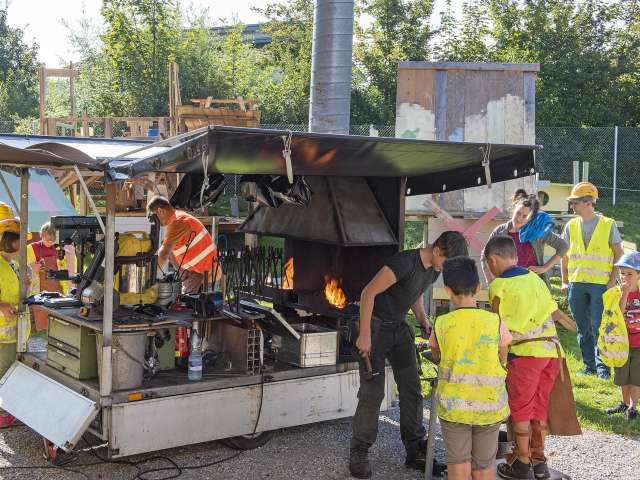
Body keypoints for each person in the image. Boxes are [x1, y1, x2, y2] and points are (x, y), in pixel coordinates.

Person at [349, 231, 469, 479]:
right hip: (375, 325)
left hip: (399, 327)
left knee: (412, 388)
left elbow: (414, 293)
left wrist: (423, 320)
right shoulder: (404, 262)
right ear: (437, 250)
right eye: (446, 262)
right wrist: (365, 334)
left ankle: (415, 451)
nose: (446, 269)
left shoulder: (434, 268)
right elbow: (368, 293)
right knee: (373, 392)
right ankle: (359, 452)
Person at [485, 235, 563, 480]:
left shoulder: (498, 286)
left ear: (492, 260)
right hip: (552, 352)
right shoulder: (534, 277)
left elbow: (499, 328)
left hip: (524, 355)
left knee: (520, 410)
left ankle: (521, 462)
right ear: (515, 256)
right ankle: (539, 463)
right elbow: (552, 311)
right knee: (539, 408)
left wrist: (497, 360)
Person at [429, 256, 510, 480]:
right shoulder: (495, 321)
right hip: (489, 405)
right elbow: (503, 353)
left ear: (447, 290)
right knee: (484, 465)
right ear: (478, 287)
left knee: (458, 463)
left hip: (454, 406)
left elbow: (436, 353)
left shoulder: (442, 323)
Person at [560, 182, 623, 379]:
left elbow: (619, 253)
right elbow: (564, 255)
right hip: (576, 283)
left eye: (575, 202)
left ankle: (603, 369)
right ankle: (589, 366)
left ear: (588, 203)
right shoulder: (571, 226)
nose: (572, 206)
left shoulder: (608, 224)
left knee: (599, 327)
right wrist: (564, 281)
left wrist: (612, 280)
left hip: (600, 284)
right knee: (582, 328)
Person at [481, 189, 568, 284]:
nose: (519, 218)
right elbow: (485, 256)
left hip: (532, 284)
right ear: (513, 209)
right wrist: (490, 280)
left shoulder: (538, 231)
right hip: (507, 285)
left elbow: (563, 246)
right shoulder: (499, 231)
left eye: (525, 216)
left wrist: (544, 268)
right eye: (518, 213)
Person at [147, 196, 217, 294]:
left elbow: (164, 254)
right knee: (166, 244)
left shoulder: (178, 222)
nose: (155, 222)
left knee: (187, 302)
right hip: (197, 273)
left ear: (160, 211)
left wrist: (147, 276)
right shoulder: (179, 217)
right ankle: (184, 275)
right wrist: (182, 273)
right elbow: (167, 251)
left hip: (204, 275)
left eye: (154, 217)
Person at [603, 252, 640, 421]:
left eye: (629, 274)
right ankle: (624, 403)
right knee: (623, 376)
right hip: (620, 344)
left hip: (638, 344)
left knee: (636, 377)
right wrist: (624, 293)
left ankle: (633, 407)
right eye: (622, 273)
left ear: (639, 275)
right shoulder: (616, 293)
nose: (625, 277)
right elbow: (618, 312)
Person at [0, 218, 30, 428]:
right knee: (4, 370)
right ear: (9, 240)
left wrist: (26, 285)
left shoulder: (14, 264)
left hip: (17, 330)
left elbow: (18, 292)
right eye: (20, 239)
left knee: (12, 369)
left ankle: (9, 409)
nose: (24, 243)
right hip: (4, 332)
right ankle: (3, 413)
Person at [27, 221, 73, 330]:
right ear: (41, 235)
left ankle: (56, 328)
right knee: (40, 311)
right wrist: (32, 268)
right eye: (48, 240)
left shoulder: (59, 248)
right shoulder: (31, 248)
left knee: (57, 311)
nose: (50, 242)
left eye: (53, 240)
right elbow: (21, 267)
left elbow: (68, 266)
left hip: (56, 285)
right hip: (38, 287)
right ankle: (39, 327)